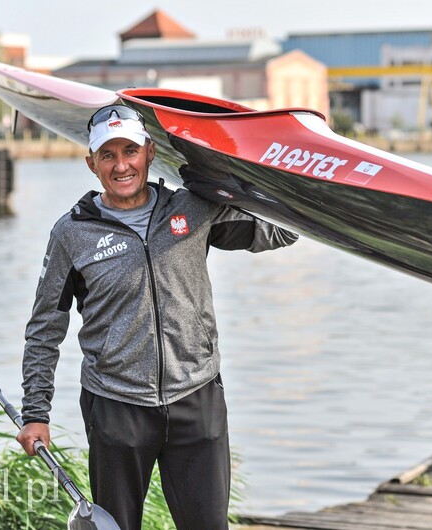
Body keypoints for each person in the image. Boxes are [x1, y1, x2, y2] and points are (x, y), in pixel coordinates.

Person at [16, 104, 297, 529]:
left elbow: (284, 229)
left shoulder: (194, 210)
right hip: (116, 406)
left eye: (130, 150)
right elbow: (44, 328)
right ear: (91, 163)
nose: (121, 164)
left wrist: (229, 183)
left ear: (149, 152)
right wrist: (36, 412)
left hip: (196, 397)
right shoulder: (72, 234)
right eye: (108, 155)